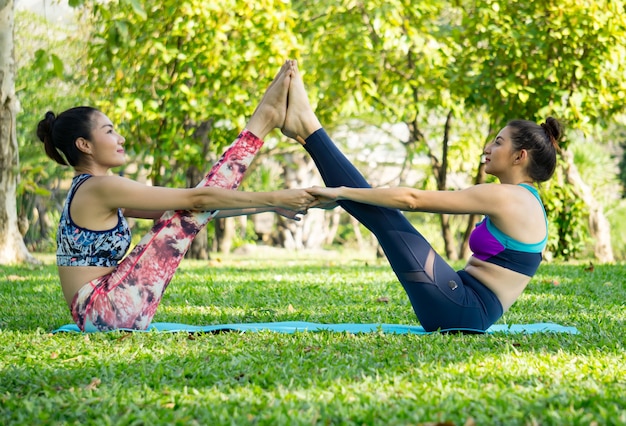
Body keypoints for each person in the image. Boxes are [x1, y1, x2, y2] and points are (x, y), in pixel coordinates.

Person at [37, 60, 317, 332]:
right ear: (84, 144)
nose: (120, 139)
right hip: (106, 312)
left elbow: (191, 213)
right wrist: (275, 198)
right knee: (195, 203)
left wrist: (268, 208)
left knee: (187, 213)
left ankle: (263, 120)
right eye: (110, 131)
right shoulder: (100, 187)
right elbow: (197, 201)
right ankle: (262, 122)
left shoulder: (93, 188)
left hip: (102, 311)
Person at [282, 62, 561, 332]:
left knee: (386, 217)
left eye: (498, 142)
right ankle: (306, 128)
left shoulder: (507, 197)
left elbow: (412, 199)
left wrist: (341, 192)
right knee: (384, 215)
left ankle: (308, 128)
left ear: (519, 156)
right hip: (461, 303)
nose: (488, 147)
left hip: (460, 310)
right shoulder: (527, 199)